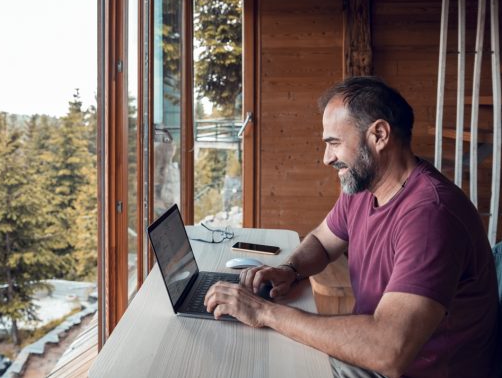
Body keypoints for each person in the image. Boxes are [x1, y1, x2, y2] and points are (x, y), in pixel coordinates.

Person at [204, 76, 499, 378]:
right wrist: (290, 269)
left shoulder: (431, 215)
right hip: (376, 355)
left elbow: (388, 349)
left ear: (379, 134)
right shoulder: (364, 188)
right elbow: (321, 241)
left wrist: (264, 311)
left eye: (334, 143)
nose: (326, 158)